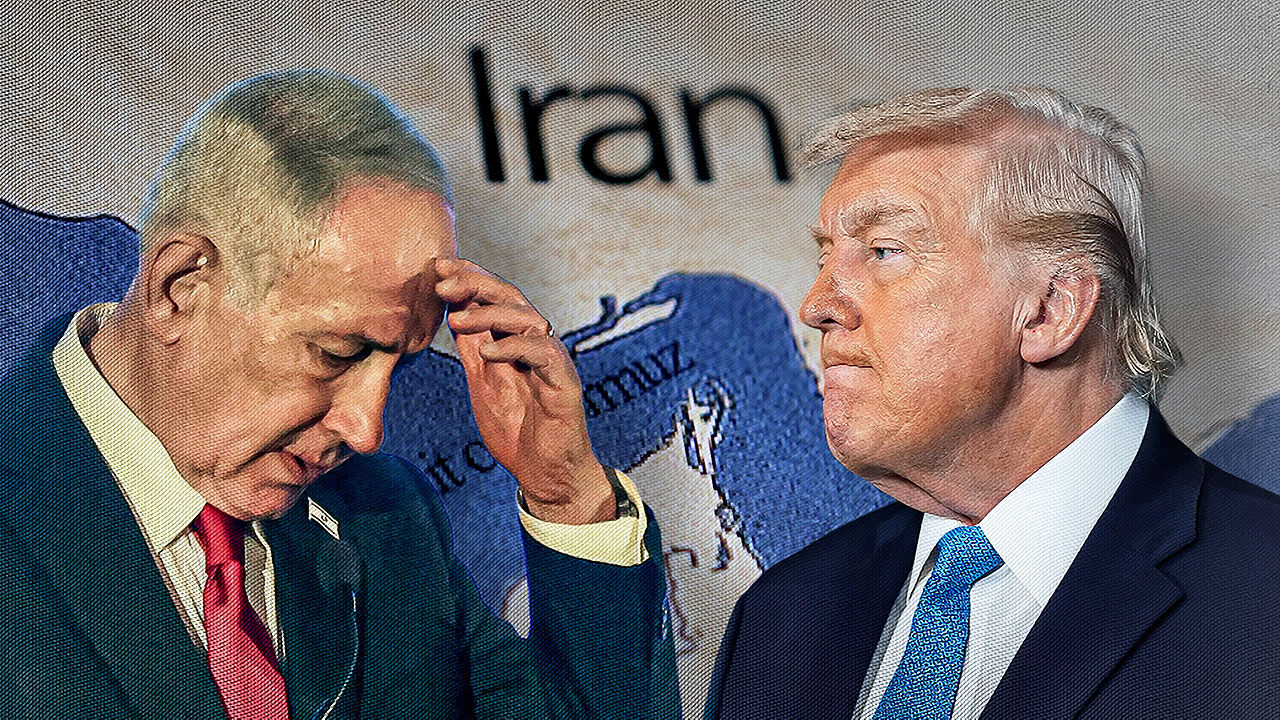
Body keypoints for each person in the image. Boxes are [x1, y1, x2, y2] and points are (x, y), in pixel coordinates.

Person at [0, 71, 678, 719]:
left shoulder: (388, 518)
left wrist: (565, 495)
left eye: (400, 367)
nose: (366, 430)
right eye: (336, 354)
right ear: (180, 287)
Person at [703, 87, 1280, 719]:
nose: (816, 306)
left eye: (885, 250)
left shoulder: (1264, 593)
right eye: (825, 254)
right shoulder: (783, 617)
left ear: (1049, 311)